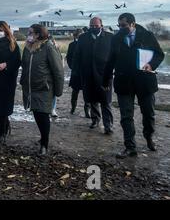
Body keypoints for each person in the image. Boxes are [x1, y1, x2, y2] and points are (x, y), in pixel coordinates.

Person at [103, 13, 164, 158]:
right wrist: (105, 80)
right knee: (126, 116)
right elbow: (110, 60)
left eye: (124, 26)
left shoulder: (147, 35)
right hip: (124, 82)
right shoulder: (116, 38)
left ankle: (148, 137)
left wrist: (151, 64)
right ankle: (130, 146)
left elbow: (159, 54)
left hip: (145, 81)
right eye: (119, 26)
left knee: (149, 114)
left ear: (133, 24)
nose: (121, 28)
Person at [20, 24, 64, 155]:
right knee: (36, 114)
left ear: (38, 34)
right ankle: (42, 138)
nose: (28, 34)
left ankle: (44, 144)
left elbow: (58, 70)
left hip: (44, 88)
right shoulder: (28, 48)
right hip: (30, 88)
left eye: (30, 32)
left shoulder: (48, 47)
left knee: (43, 115)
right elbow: (24, 65)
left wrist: (58, 91)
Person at [73, 17, 114, 134]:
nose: (94, 28)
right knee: (92, 100)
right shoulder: (83, 38)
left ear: (101, 25)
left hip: (105, 75)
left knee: (106, 102)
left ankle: (108, 125)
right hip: (88, 74)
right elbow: (77, 55)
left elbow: (115, 55)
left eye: (96, 26)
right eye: (92, 26)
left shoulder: (110, 37)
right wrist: (76, 70)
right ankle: (95, 120)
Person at [66, 29, 91, 118]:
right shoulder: (72, 45)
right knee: (75, 91)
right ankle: (73, 108)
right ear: (75, 36)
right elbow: (68, 57)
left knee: (87, 92)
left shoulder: (88, 44)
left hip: (86, 72)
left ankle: (87, 111)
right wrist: (72, 67)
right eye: (79, 35)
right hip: (76, 72)